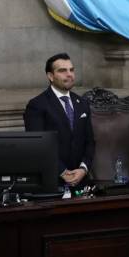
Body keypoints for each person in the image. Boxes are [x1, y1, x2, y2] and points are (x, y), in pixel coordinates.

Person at [24, 53, 94, 187]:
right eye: (62, 71)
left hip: (82, 180)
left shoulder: (82, 103)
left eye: (71, 70)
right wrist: (63, 172)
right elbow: (37, 146)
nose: (69, 74)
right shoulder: (37, 105)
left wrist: (83, 169)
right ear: (50, 76)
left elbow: (90, 141)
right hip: (52, 182)